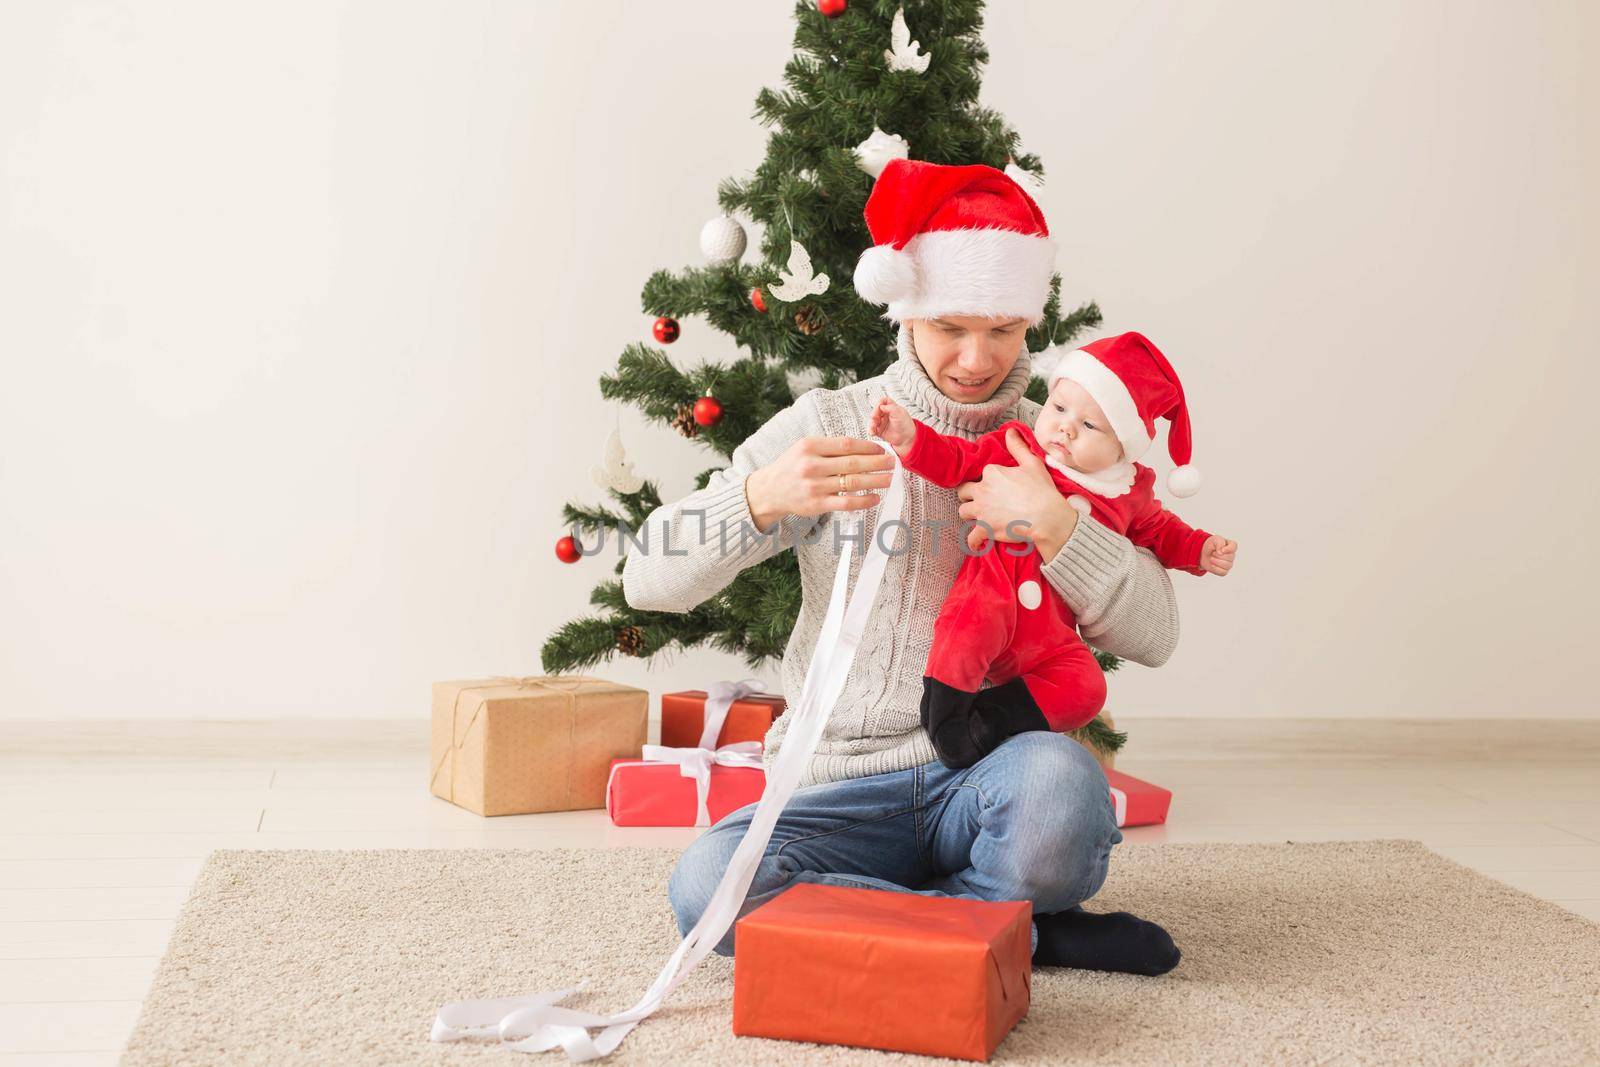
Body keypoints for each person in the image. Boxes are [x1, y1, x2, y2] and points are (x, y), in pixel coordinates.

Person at [621, 158, 1182, 976]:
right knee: (708, 886)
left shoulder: (1062, 446)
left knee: (1062, 791)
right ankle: (1010, 927)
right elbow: (645, 576)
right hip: (835, 784)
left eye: (1003, 329)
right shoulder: (830, 423)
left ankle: (920, 917)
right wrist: (761, 496)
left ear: (1030, 322)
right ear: (909, 311)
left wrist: (1061, 527)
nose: (975, 357)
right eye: (951, 325)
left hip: (987, 773)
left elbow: (1158, 633)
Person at [869, 330, 1239, 770]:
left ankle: (989, 720)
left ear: (1123, 445)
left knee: (1085, 685)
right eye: (1060, 409)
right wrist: (911, 440)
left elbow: (1161, 530)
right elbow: (957, 460)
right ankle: (947, 719)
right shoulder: (1017, 445)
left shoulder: (1127, 490)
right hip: (995, 595)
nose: (1065, 427)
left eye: (1089, 425)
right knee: (966, 630)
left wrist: (1199, 549)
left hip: (1049, 635)